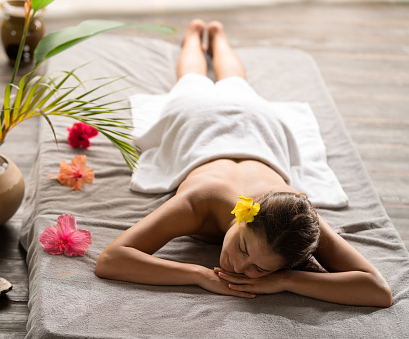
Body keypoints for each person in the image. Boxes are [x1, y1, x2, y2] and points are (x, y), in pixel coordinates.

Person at [95, 19, 392, 307]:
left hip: (257, 123)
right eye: (242, 246)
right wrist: (198, 275)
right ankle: (196, 34)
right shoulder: (200, 201)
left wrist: (287, 281)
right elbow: (111, 259)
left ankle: (217, 35)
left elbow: (378, 290)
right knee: (192, 82)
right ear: (241, 218)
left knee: (237, 85)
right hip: (198, 119)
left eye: (259, 269)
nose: (239, 266)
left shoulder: (295, 221)